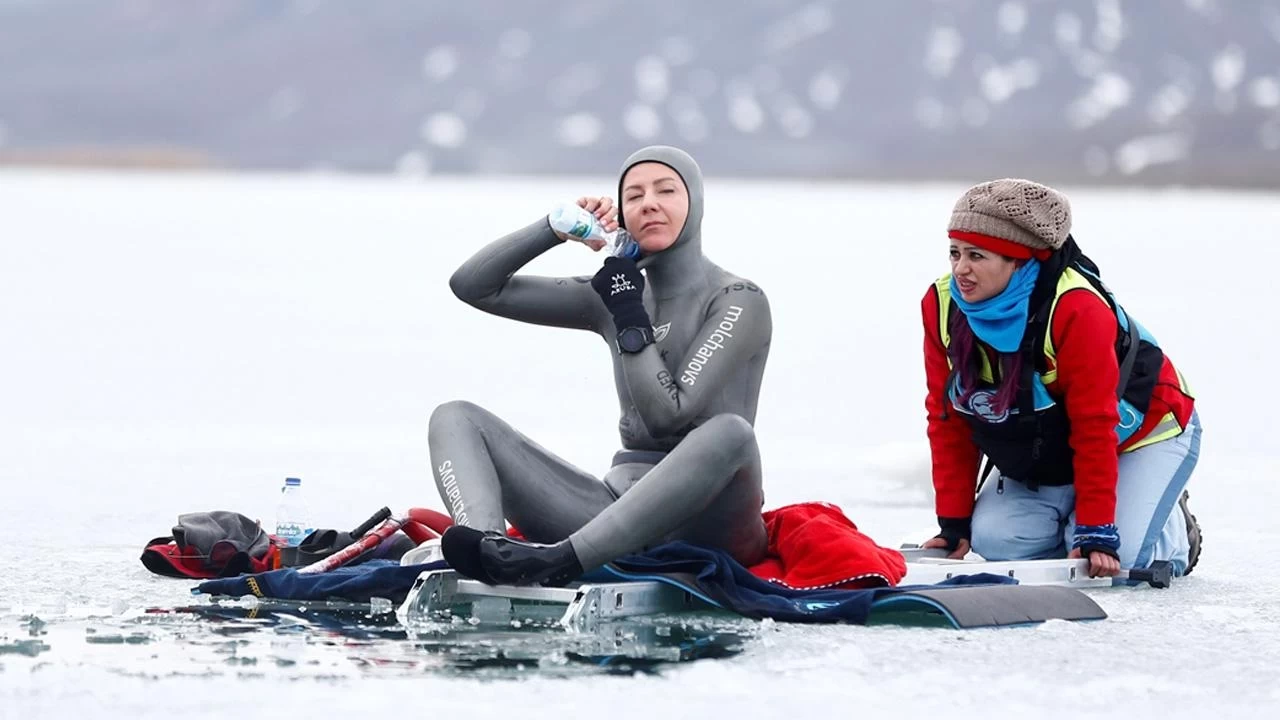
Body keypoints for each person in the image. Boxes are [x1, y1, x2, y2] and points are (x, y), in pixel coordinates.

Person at [430, 145, 773, 586]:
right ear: (623, 216)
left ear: (696, 204)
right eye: (634, 196)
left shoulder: (738, 299)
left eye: (666, 190)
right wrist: (552, 229)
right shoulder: (612, 293)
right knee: (455, 417)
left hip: (712, 525)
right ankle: (488, 551)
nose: (649, 202)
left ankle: (556, 562)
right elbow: (473, 287)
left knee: (730, 432)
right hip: (611, 514)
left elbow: (666, 415)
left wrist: (628, 310)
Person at [919, 179, 1202, 579]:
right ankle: (1090, 509)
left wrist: (1097, 530)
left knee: (1118, 561)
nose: (960, 269)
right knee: (998, 544)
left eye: (976, 256)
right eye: (955, 253)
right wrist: (954, 523)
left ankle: (1169, 525)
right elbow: (947, 417)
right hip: (1049, 439)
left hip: (1143, 430)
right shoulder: (942, 305)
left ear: (1019, 260)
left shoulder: (1076, 308)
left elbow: (1094, 424)